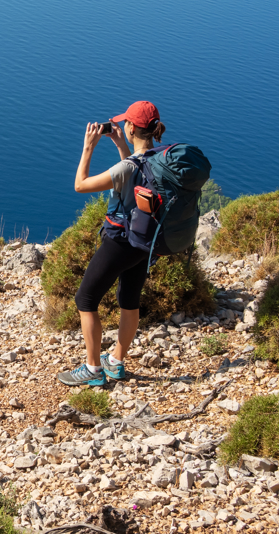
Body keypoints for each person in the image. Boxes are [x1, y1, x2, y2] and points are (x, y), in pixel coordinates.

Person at [56, 100, 167, 387]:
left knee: (85, 299)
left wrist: (88, 146)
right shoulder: (158, 157)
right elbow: (135, 171)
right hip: (145, 240)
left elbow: (81, 185)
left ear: (131, 127)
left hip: (120, 241)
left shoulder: (127, 167)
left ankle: (93, 369)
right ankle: (116, 362)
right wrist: (121, 146)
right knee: (129, 300)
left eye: (125, 124)